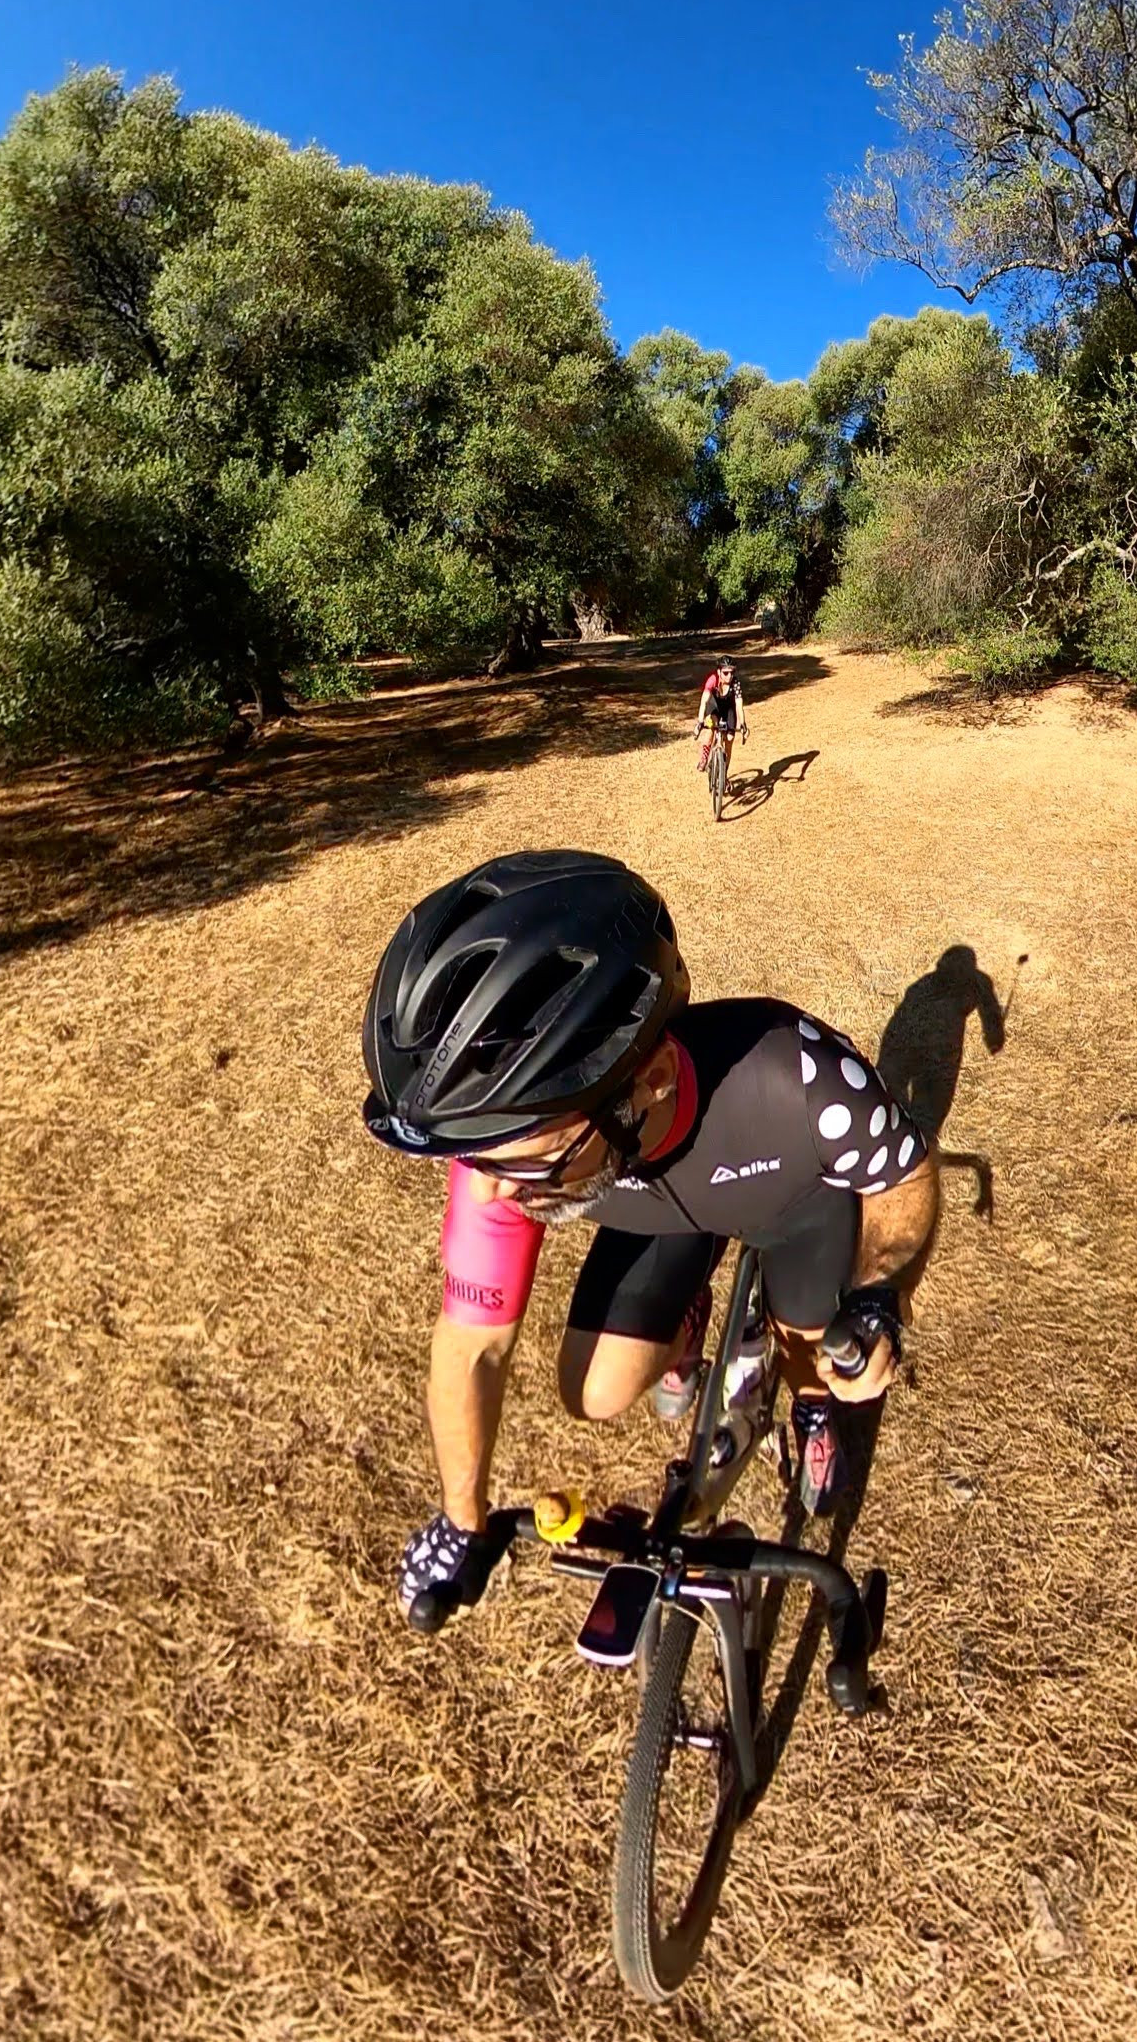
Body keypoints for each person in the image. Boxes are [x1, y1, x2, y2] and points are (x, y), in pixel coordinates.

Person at [364, 849, 936, 1632]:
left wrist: (881, 1291)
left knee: (814, 1345)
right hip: (663, 1219)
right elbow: (472, 1348)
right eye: (475, 1158)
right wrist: (463, 1520)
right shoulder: (500, 1163)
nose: (490, 1191)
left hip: (794, 1209)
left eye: (525, 1160)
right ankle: (691, 1322)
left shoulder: (798, 1074)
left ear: (651, 1080)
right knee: (591, 1394)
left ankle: (805, 1407)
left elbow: (904, 1175)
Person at [692, 659, 746, 772]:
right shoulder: (712, 680)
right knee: (711, 727)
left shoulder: (735, 683)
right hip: (714, 707)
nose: (729, 676)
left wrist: (743, 724)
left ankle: (724, 772)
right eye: (725, 673)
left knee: (730, 739)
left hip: (729, 709)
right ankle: (704, 758)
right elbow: (704, 702)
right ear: (718, 672)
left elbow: (739, 704)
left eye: (732, 672)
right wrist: (700, 722)